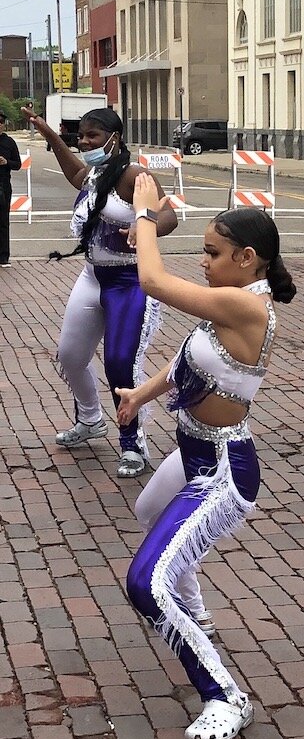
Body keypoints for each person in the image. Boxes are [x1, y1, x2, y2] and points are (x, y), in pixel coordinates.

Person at [119, 190, 295, 739]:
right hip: (190, 454)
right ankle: (195, 614)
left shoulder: (246, 306)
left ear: (246, 258)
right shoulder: (230, 297)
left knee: (145, 582)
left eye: (212, 252)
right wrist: (138, 398)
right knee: (150, 512)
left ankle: (225, 696)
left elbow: (150, 281)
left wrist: (145, 212)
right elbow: (181, 365)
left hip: (224, 469)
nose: (203, 261)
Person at [23, 105, 177, 478]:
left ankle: (132, 445)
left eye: (93, 136)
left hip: (128, 282)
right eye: (82, 136)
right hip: (92, 278)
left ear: (114, 138)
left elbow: (168, 214)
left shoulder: (135, 175)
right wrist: (50, 135)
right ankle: (91, 420)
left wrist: (146, 228)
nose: (86, 142)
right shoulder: (95, 172)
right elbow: (75, 173)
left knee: (120, 364)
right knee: (71, 356)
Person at [0, 117, 21, 267]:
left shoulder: (9, 143)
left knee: (3, 222)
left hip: (3, 184)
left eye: (0, 123)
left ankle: (3, 257)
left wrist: (7, 162)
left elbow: (18, 164)